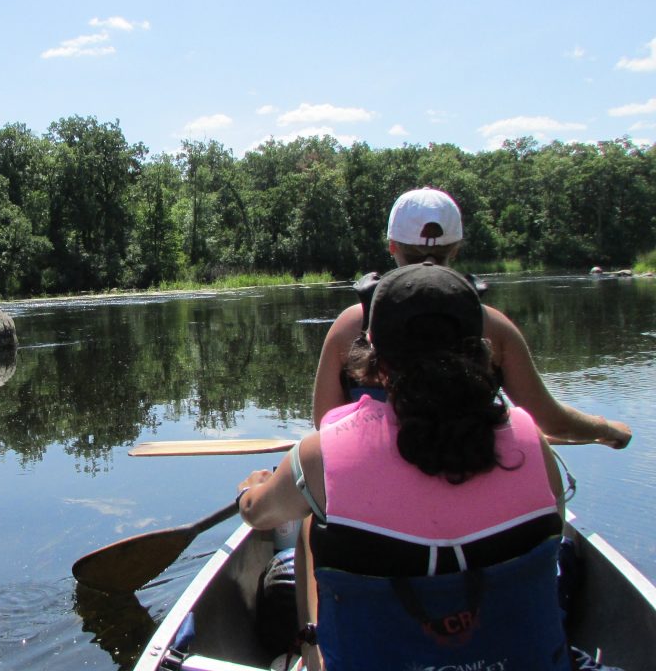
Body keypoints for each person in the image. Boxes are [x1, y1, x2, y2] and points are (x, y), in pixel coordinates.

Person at [237, 263, 572, 669]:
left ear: (374, 355)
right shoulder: (530, 440)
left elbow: (259, 515)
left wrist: (249, 490)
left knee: (311, 520)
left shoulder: (321, 454)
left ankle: (312, 656)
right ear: (481, 351)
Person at [313, 187, 632, 446]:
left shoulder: (351, 326)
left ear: (392, 246)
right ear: (456, 248)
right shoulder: (492, 325)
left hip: (372, 492)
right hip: (465, 475)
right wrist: (606, 428)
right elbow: (552, 422)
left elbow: (325, 425)